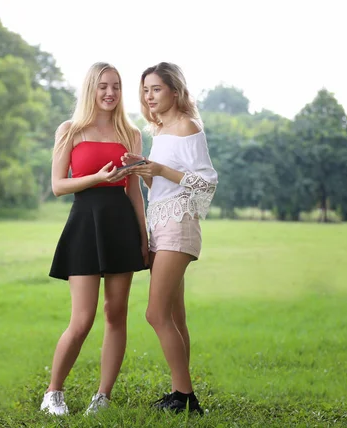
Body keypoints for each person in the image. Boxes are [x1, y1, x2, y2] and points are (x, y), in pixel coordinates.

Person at [40, 62, 149, 416]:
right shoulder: (70, 130)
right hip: (85, 223)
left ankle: (103, 397)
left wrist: (144, 238)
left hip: (120, 225)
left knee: (116, 314)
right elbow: (58, 186)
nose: (110, 93)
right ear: (91, 89)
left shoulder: (131, 133)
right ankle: (53, 393)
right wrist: (97, 178)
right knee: (82, 319)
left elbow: (134, 191)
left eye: (116, 86)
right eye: (103, 86)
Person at [123, 62, 218, 414]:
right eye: (145, 90)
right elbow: (161, 186)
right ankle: (181, 392)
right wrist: (146, 169)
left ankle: (186, 398)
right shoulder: (159, 132)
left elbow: (207, 182)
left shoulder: (188, 127)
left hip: (179, 223)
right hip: (159, 223)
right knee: (175, 317)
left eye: (156, 89)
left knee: (155, 312)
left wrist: (161, 169)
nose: (149, 96)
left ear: (175, 92)